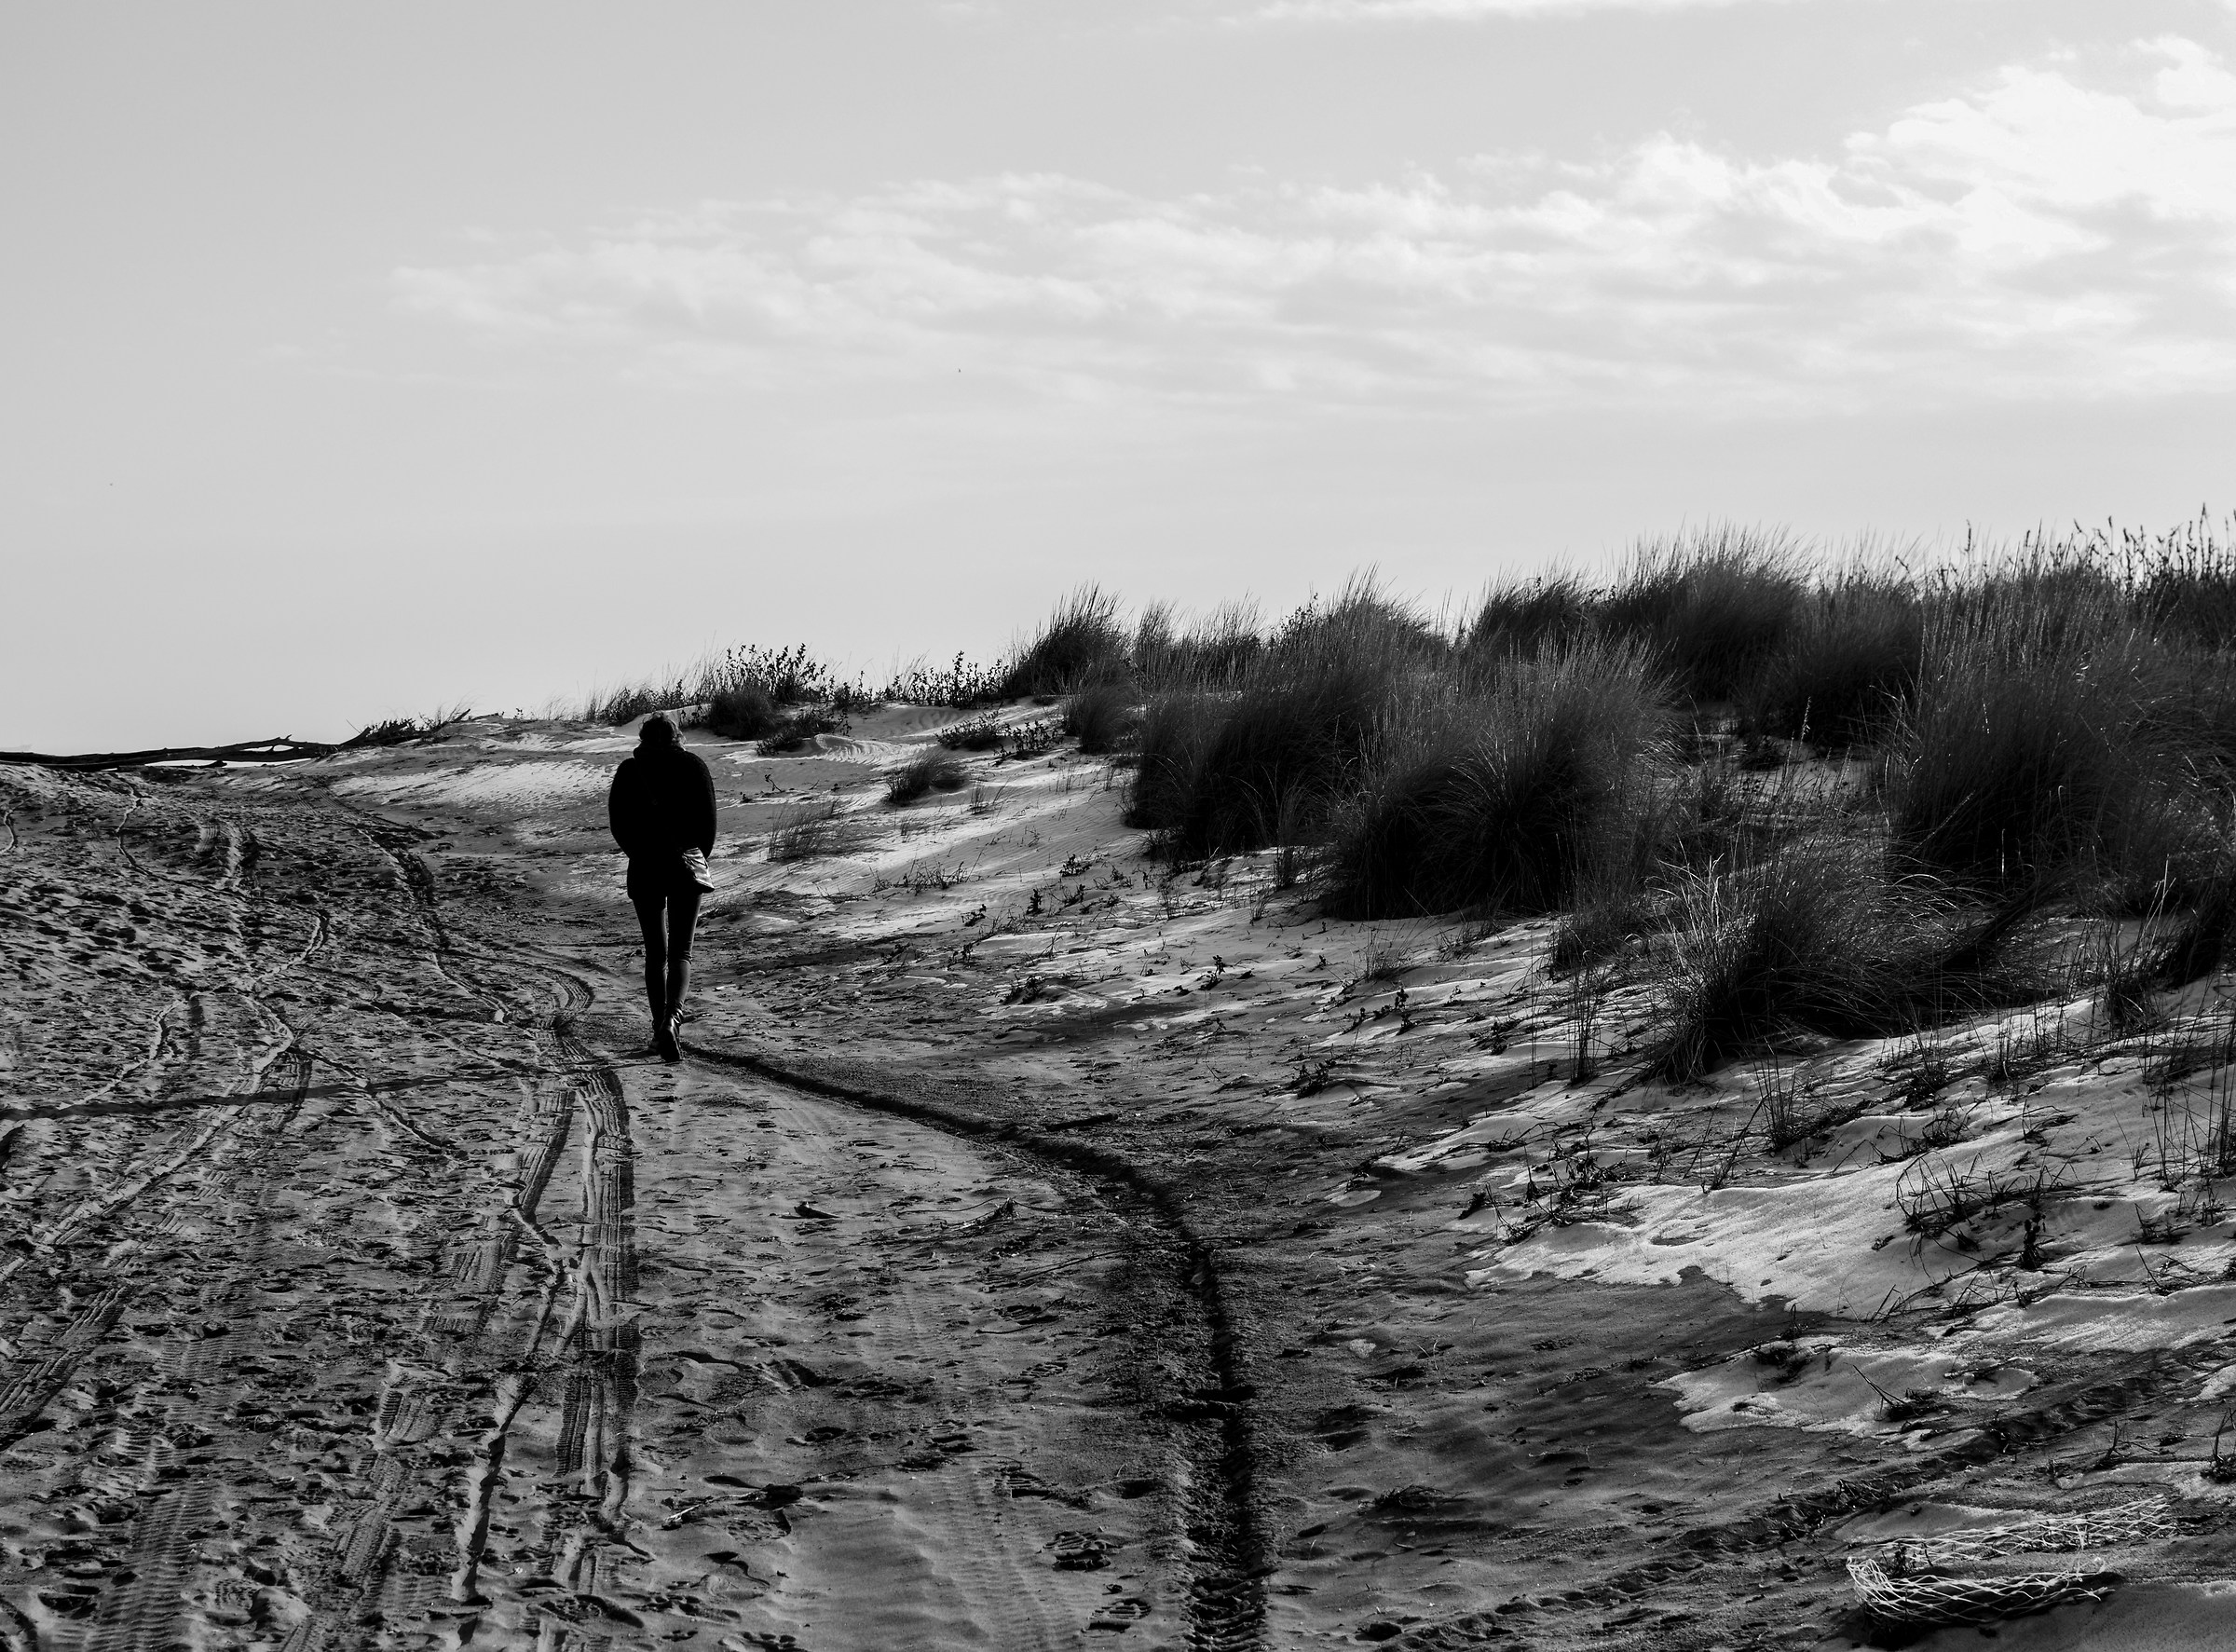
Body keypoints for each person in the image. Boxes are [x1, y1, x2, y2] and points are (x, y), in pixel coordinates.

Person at [606, 715, 717, 1063]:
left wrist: (639, 855)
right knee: (681, 952)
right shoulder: (694, 767)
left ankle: (659, 1029)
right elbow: (709, 825)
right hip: (684, 868)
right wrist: (695, 856)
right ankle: (672, 1022)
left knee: (656, 953)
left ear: (642, 738)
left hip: (645, 868)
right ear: (677, 736)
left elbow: (618, 825)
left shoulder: (629, 771)